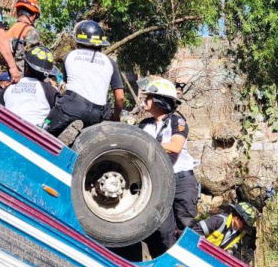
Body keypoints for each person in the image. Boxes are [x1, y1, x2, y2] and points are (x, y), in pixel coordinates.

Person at [137, 78, 198, 253]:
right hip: (159, 182)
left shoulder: (177, 122)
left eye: (148, 97)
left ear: (159, 100)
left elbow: (175, 146)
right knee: (163, 230)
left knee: (186, 226)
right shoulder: (144, 125)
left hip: (182, 181)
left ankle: (189, 265)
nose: (144, 101)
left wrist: (147, 143)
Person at [44, 20, 125, 136]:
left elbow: (66, 84)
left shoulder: (70, 56)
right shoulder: (110, 62)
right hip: (97, 114)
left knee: (44, 134)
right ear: (101, 43)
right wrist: (116, 116)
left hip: (70, 107)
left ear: (79, 40)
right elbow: (120, 97)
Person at [3, 45, 60, 126]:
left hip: (6, 129)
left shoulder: (9, 87)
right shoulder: (50, 90)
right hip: (34, 134)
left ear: (26, 65)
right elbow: (58, 115)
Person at [6, 0, 41, 71]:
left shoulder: (9, 31)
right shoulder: (30, 30)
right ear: (34, 16)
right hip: (24, 78)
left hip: (9, 76)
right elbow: (36, 59)